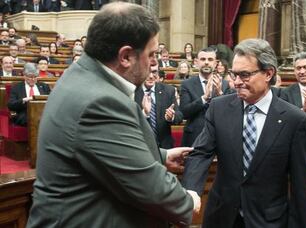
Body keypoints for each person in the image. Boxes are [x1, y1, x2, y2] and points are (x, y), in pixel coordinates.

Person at [26, 2, 199, 227]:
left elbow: (101, 149)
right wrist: (189, 201)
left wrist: (162, 156)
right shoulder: (100, 101)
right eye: (152, 53)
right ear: (126, 56)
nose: (155, 62)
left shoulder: (84, 75)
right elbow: (154, 190)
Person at [182, 38, 306, 228]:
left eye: (244, 75)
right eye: (234, 74)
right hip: (222, 217)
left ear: (268, 73)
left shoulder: (294, 120)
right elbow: (201, 153)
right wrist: (191, 191)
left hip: (268, 221)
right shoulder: (218, 108)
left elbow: (302, 186)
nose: (236, 82)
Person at [179, 46, 231, 146]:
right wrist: (204, 98)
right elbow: (184, 112)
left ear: (215, 63)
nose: (206, 62)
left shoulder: (225, 85)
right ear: (196, 62)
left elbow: (230, 113)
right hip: (194, 137)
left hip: (219, 137)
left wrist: (220, 94)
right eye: (203, 59)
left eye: (210, 59)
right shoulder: (187, 84)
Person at [135, 63, 183, 149]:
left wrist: (171, 117)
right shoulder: (133, 92)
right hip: (141, 146)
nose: (151, 76)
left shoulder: (168, 90)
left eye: (154, 72)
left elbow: (179, 116)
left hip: (164, 146)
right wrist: (144, 113)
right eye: (147, 72)